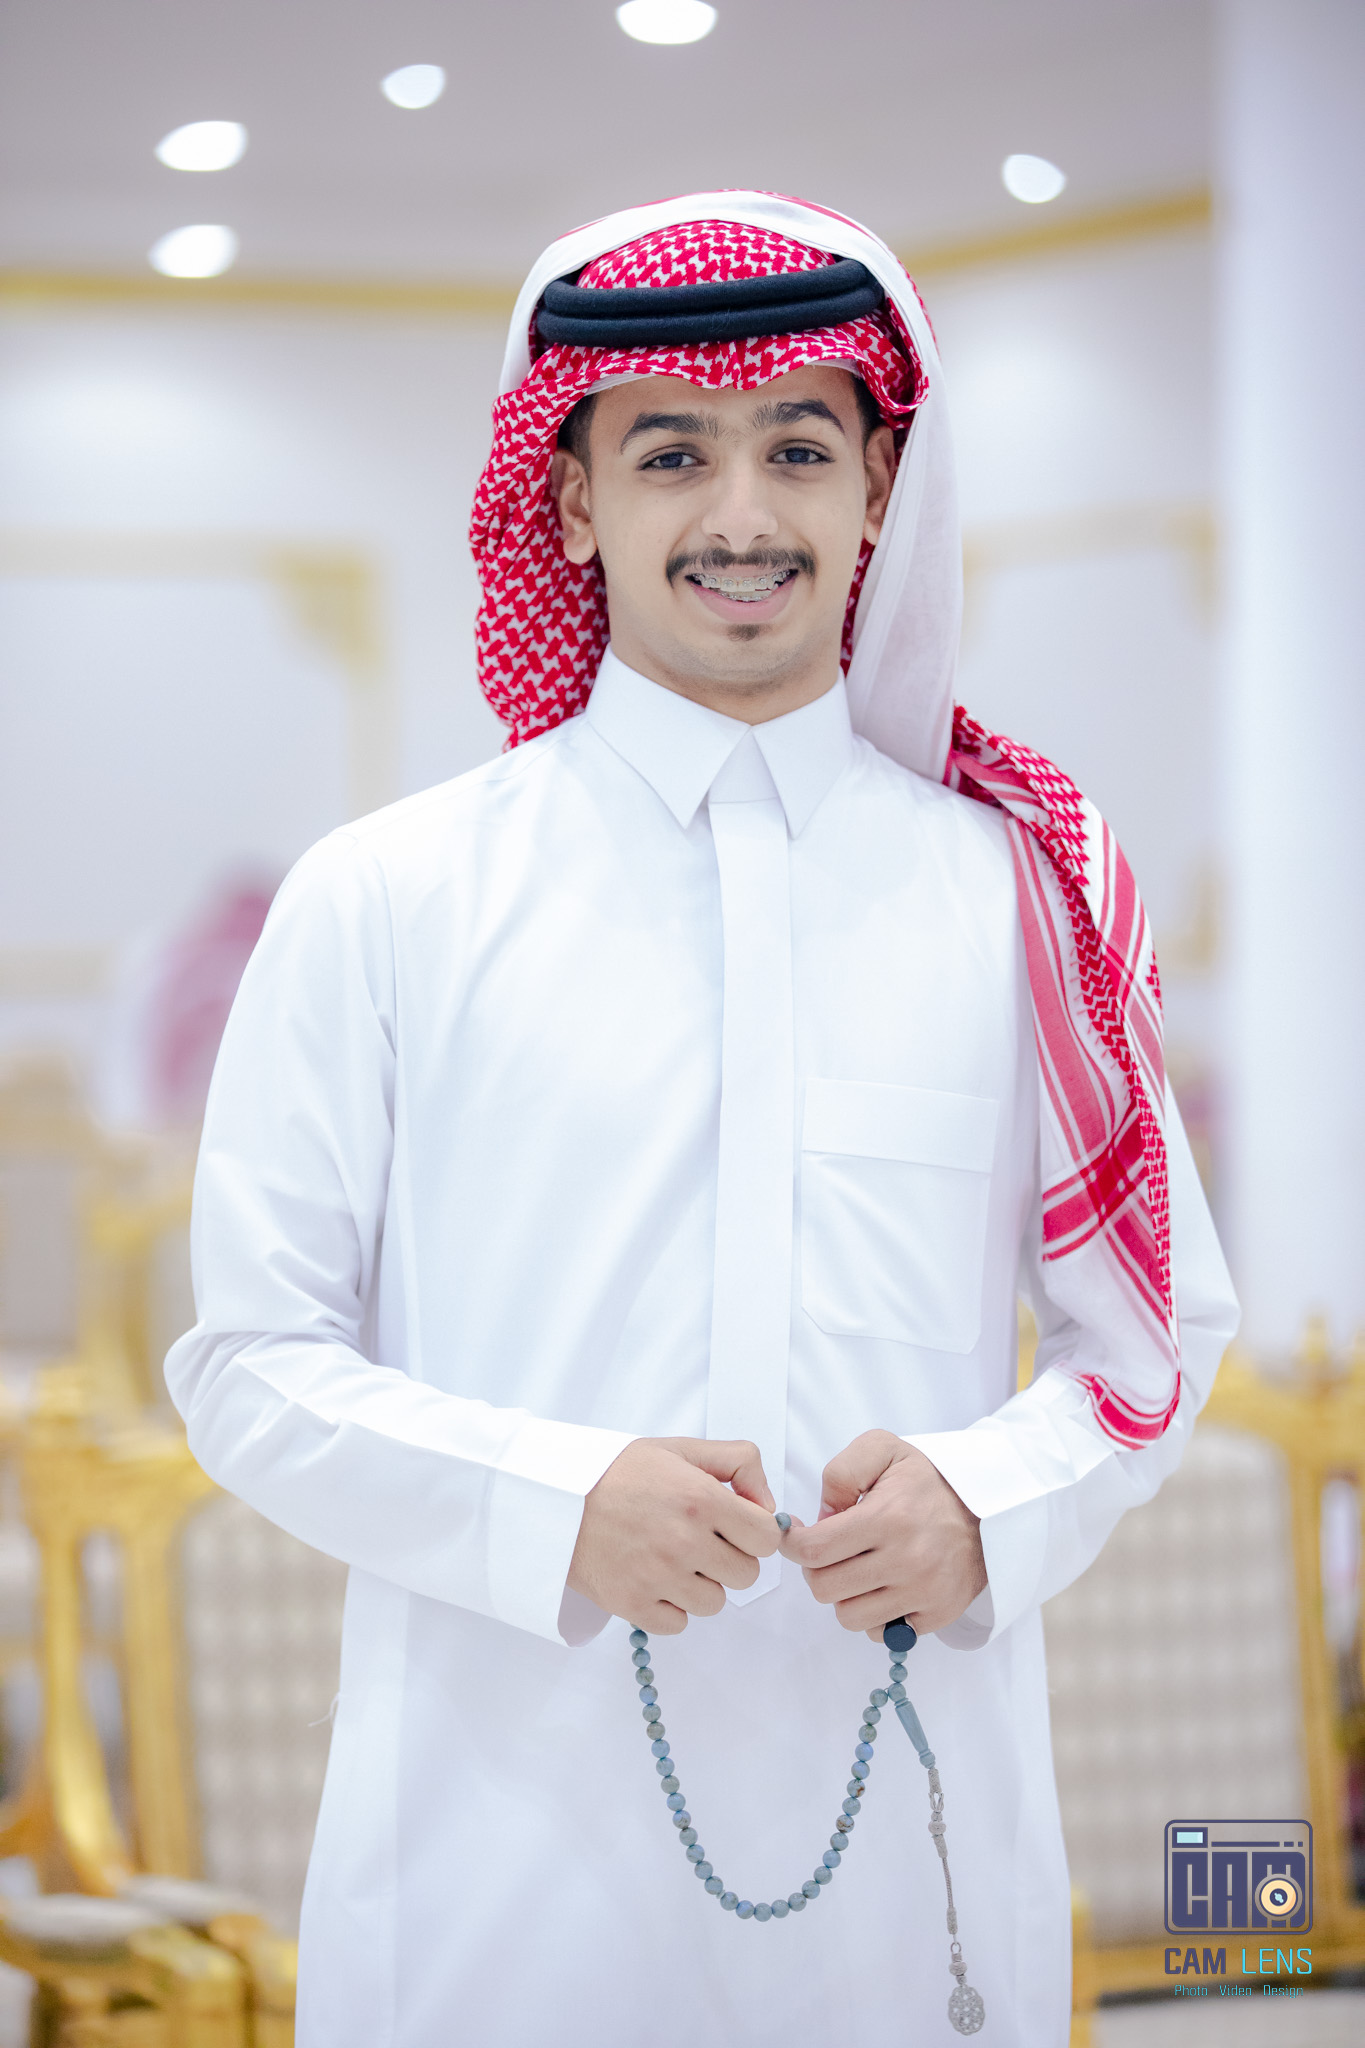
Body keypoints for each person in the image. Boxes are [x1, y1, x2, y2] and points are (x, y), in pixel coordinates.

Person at [166, 192, 1238, 2048]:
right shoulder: (389, 897)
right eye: (671, 454)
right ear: (571, 498)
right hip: (498, 1857)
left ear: (877, 489)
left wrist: (992, 1502)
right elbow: (247, 1365)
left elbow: (1147, 1343)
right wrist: (549, 1506)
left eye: (798, 450)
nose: (741, 515)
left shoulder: (1013, 896)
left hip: (907, 1846)